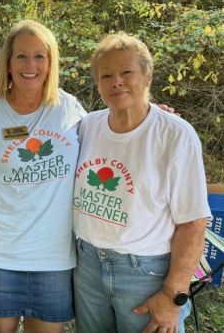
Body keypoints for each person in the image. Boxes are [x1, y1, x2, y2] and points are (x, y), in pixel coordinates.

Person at [72, 32, 211, 333]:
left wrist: (172, 295)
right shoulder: (87, 126)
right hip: (88, 267)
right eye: (106, 75)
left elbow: (194, 223)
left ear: (147, 76)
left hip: (146, 273)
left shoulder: (175, 135)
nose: (116, 81)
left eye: (126, 72)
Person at [0, 20, 86, 333]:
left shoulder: (70, 110)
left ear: (51, 62)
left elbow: (114, 135)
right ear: (8, 62)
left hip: (54, 257)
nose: (31, 65)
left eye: (40, 56)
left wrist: (151, 115)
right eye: (22, 56)